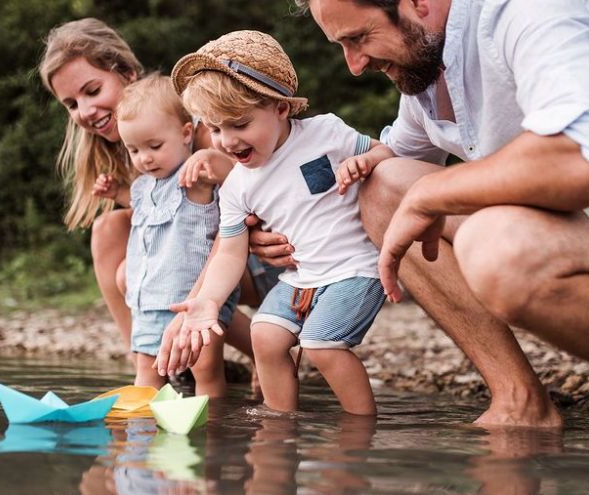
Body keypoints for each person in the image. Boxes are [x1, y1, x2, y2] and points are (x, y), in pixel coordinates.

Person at [290, 0, 589, 447]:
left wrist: (432, 194)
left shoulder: (528, 11)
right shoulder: (429, 70)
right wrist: (284, 232)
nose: (354, 64)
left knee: (495, 244)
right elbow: (390, 169)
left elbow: (584, 160)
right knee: (383, 189)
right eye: (342, 47)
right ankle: (521, 400)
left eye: (360, 37)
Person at [158, 30, 394, 415]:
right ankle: (279, 422)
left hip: (355, 267)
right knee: (264, 335)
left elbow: (386, 152)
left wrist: (366, 161)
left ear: (281, 108)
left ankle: (360, 427)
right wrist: (208, 301)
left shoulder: (326, 133)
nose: (227, 141)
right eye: (215, 129)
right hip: (301, 277)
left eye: (239, 124)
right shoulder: (236, 186)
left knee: (321, 345)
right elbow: (230, 255)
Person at [39, 18, 278, 378]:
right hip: (209, 261)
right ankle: (147, 356)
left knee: (159, 279)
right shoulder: (133, 150)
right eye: (71, 104)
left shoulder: (199, 132)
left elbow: (229, 222)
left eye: (92, 90)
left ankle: (207, 354)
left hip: (260, 256)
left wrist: (194, 306)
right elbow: (163, 218)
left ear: (128, 73)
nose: (84, 111)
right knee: (110, 231)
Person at [90, 75, 237, 392]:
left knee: (206, 371)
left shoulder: (194, 178)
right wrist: (117, 192)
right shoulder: (143, 186)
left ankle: (214, 429)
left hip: (191, 301)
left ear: (186, 134)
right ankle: (141, 435)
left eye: (154, 146)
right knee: (146, 374)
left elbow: (237, 179)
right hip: (147, 301)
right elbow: (145, 208)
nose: (144, 158)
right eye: (134, 150)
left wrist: (210, 157)